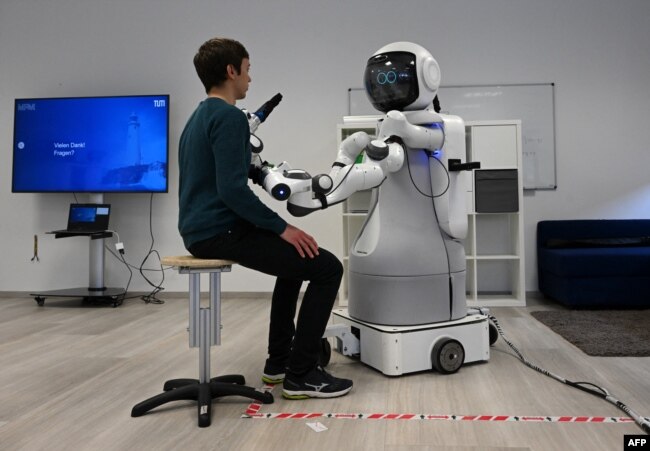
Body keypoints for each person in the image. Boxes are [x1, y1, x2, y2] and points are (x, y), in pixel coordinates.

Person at [178, 37, 352, 399]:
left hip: (200, 229)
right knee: (327, 268)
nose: (250, 79)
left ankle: (279, 364)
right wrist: (283, 227)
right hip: (220, 230)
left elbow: (232, 175)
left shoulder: (198, 117)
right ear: (231, 71)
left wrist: (262, 173)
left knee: (297, 265)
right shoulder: (228, 118)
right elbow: (232, 191)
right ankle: (302, 374)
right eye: (248, 69)